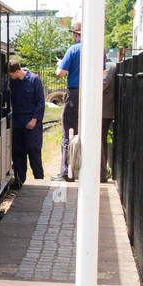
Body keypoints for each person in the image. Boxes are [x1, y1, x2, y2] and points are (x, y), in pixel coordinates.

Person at [5, 57, 45, 187]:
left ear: (16, 71)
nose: (9, 77)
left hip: (32, 121)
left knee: (34, 152)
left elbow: (40, 102)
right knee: (18, 152)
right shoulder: (12, 83)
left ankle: (39, 180)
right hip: (17, 121)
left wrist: (34, 120)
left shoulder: (34, 80)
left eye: (10, 74)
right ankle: (19, 180)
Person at [55, 22, 82, 180]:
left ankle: (66, 172)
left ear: (77, 35)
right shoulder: (99, 50)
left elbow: (60, 73)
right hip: (91, 94)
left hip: (74, 93)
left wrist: (60, 64)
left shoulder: (73, 49)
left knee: (67, 133)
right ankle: (99, 172)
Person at [101, 61, 117, 181]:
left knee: (100, 141)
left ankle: (101, 172)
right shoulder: (110, 66)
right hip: (105, 110)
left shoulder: (109, 67)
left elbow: (102, 84)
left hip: (104, 111)